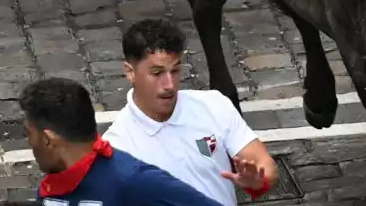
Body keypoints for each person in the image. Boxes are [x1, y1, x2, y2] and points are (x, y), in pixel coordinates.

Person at [102, 18, 277, 205]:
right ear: (130, 72)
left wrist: (258, 181)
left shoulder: (214, 105)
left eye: (175, 71)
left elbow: (266, 165)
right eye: (156, 73)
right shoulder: (116, 148)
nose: (169, 85)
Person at [18, 76, 224, 205]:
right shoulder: (53, 187)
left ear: (47, 139)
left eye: (30, 134)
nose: (30, 144)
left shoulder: (135, 180)